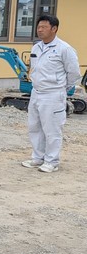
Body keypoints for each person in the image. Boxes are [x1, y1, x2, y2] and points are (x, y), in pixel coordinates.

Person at [21, 14, 81, 173]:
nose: (40, 30)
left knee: (52, 129)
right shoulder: (36, 47)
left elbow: (74, 73)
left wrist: (61, 88)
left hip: (53, 94)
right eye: (38, 27)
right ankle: (37, 157)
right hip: (36, 92)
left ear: (54, 29)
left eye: (44, 27)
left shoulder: (64, 49)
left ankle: (52, 161)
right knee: (35, 127)